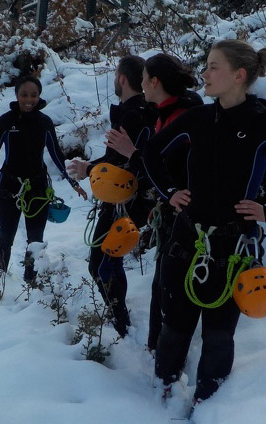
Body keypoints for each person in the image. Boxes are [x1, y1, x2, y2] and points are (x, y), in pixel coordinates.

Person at [141, 40, 266, 402]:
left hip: (234, 245)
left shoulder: (263, 124)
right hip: (186, 238)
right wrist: (170, 192)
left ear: (239, 75)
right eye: (206, 66)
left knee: (219, 333)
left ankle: (209, 399)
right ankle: (162, 389)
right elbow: (150, 151)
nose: (204, 74)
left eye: (213, 67)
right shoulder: (198, 117)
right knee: (175, 322)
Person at [104, 53, 202, 352]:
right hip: (172, 214)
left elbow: (167, 167)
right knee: (160, 287)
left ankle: (167, 362)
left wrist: (134, 153)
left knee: (170, 291)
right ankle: (155, 352)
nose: (141, 84)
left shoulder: (186, 113)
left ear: (154, 81)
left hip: (187, 217)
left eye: (144, 78)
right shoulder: (162, 113)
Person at [66, 56, 157, 337]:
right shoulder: (148, 110)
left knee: (100, 261)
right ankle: (119, 314)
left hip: (124, 197)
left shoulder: (131, 114)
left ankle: (120, 321)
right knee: (111, 257)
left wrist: (88, 168)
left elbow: (122, 162)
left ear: (122, 79)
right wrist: (92, 167)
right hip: (140, 197)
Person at [0, 76, 87, 281]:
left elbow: (56, 154)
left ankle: (31, 284)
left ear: (39, 96)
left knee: (35, 240)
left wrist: (73, 183)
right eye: (24, 95)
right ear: (17, 95)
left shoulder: (44, 122)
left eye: (34, 95)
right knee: (5, 238)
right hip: (9, 187)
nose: (29, 100)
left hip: (37, 188)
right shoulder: (6, 121)